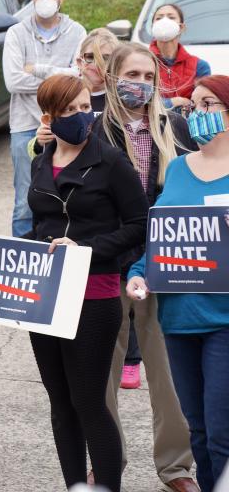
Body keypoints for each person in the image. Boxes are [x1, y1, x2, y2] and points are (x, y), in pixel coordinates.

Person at [0, 74, 148, 492]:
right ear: (48, 116)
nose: (82, 116)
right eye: (70, 111)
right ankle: (74, 485)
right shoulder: (40, 160)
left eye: (86, 107)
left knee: (88, 402)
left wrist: (85, 248)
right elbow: (39, 230)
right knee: (61, 403)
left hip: (93, 296)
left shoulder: (111, 161)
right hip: (43, 296)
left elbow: (139, 226)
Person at [83, 44, 198, 492]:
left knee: (168, 375)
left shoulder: (177, 127)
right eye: (133, 73)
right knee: (101, 371)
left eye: (149, 76)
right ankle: (106, 462)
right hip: (107, 264)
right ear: (112, 77)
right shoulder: (93, 129)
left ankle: (177, 467)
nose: (142, 84)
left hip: (165, 267)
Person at [127, 75, 229, 492]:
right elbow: (163, 238)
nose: (196, 114)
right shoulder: (178, 168)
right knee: (199, 432)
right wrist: (138, 275)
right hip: (179, 318)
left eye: (208, 105)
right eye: (192, 106)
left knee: (222, 433)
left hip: (224, 320)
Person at [2, 0, 86, 238]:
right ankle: (22, 255)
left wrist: (38, 69)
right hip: (26, 125)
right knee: (25, 201)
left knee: (68, 196)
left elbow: (80, 75)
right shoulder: (16, 33)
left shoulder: (77, 32)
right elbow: (13, 81)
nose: (45, 0)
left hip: (66, 123)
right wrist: (62, 78)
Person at [148, 3, 212, 109]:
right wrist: (173, 102)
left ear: (181, 27)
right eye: (159, 18)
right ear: (153, 27)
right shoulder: (142, 62)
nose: (164, 21)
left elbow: (203, 103)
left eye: (171, 17)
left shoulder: (200, 66)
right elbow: (138, 100)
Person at [76, 28, 120, 116]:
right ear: (80, 62)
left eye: (105, 58)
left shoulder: (122, 100)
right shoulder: (66, 95)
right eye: (90, 57)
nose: (97, 63)